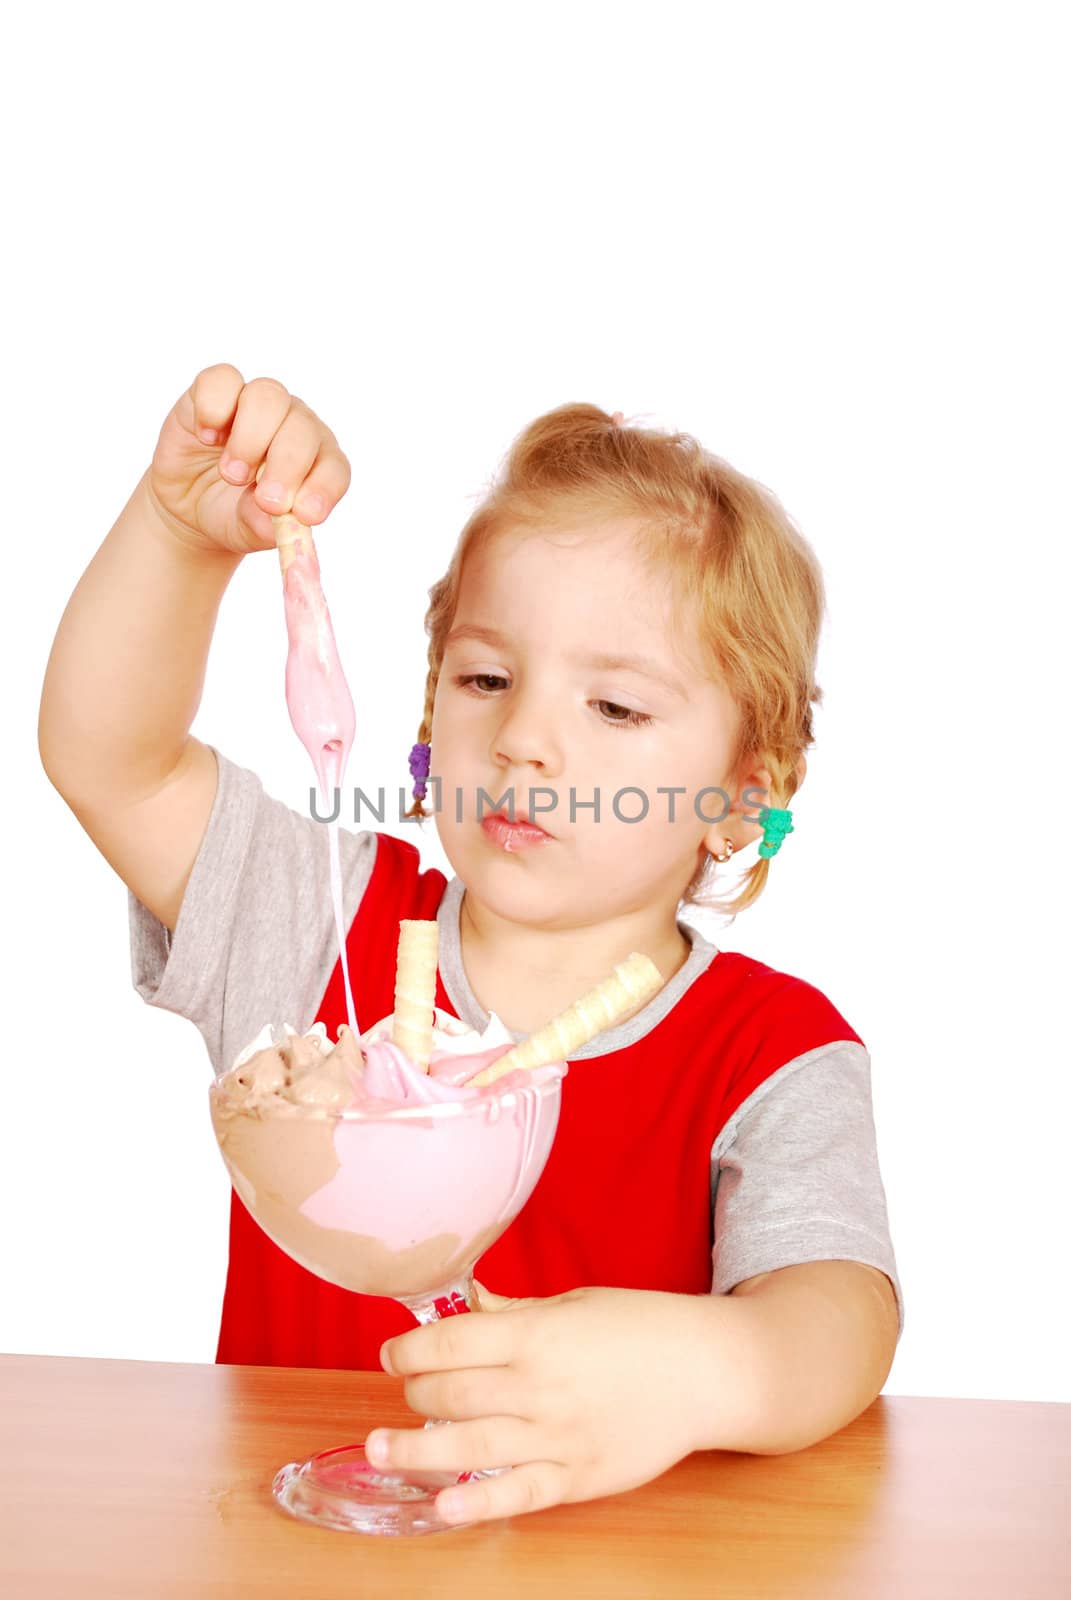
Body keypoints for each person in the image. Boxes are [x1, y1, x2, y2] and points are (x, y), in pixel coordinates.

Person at [39, 362, 903, 1527]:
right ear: (429, 718)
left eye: (617, 707)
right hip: (299, 1554)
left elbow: (841, 1312)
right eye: (486, 677)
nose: (527, 738)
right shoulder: (323, 932)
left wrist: (714, 1368)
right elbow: (112, 756)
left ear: (743, 797)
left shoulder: (770, 1051)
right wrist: (178, 537)